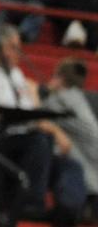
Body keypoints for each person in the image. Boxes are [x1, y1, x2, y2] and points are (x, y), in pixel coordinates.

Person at [0, 25, 87, 227]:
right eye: (14, 47)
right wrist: (50, 128)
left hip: (28, 151)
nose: (19, 53)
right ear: (1, 49)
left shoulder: (17, 75)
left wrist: (35, 101)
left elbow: (32, 111)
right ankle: (31, 205)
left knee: (71, 165)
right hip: (1, 146)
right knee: (40, 141)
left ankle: (67, 214)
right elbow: (16, 115)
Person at [41, 58, 98, 202]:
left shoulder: (62, 100)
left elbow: (34, 117)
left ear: (60, 78)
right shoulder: (78, 99)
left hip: (90, 183)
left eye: (54, 76)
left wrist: (38, 92)